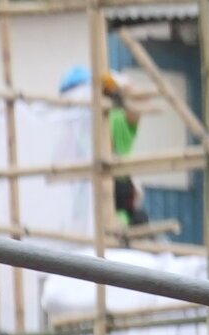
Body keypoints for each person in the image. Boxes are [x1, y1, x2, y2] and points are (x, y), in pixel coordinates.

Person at [61, 65, 147, 231]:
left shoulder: (115, 122)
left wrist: (118, 83)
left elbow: (137, 101)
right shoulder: (75, 132)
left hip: (117, 218)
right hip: (82, 218)